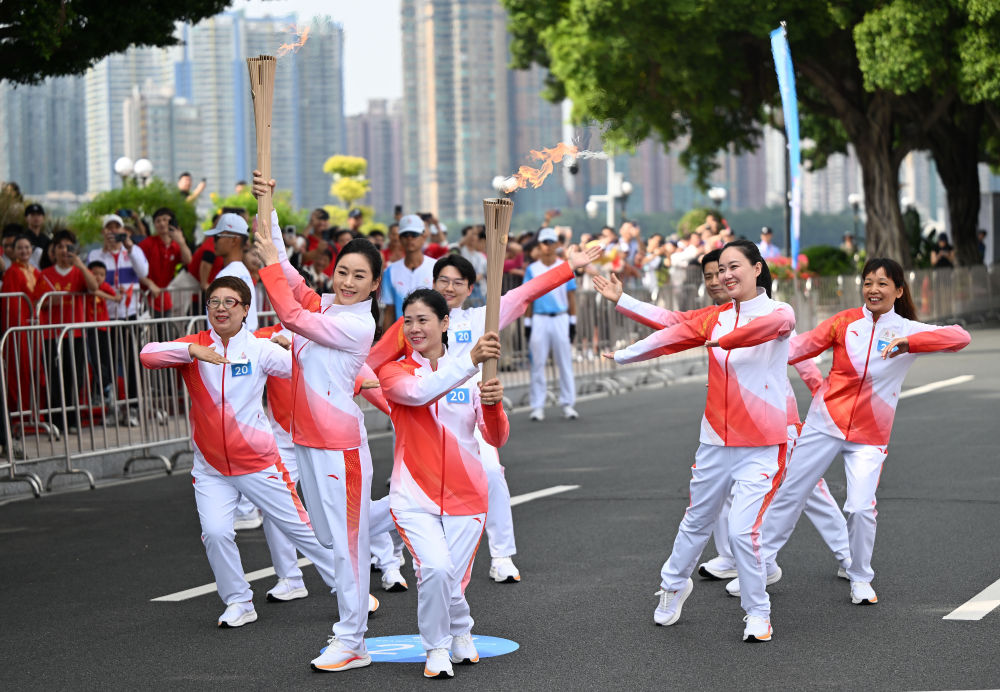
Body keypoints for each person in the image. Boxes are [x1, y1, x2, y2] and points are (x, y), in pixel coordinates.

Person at [596, 251, 851, 587]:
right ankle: (738, 560)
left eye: (726, 271)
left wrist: (825, 401)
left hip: (778, 423)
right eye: (710, 275)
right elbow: (673, 325)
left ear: (752, 272)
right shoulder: (717, 315)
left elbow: (800, 355)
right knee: (725, 495)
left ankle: (849, 559)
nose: (717, 280)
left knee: (808, 492)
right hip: (729, 431)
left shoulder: (772, 313)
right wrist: (625, 301)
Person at [367, 245, 601, 584]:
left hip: (468, 415)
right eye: (442, 281)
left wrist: (569, 267)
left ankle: (502, 556)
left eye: (457, 282)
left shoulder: (480, 319)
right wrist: (391, 405)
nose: (449, 288)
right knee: (412, 494)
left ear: (469, 288)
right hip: (420, 422)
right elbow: (368, 367)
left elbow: (525, 291)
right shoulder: (413, 323)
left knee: (491, 473)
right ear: (432, 283)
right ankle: (382, 554)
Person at [605, 239, 795, 642]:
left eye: (733, 267)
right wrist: (625, 355)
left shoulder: (780, 312)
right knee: (696, 521)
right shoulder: (715, 317)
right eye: (720, 270)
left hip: (763, 444)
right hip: (715, 442)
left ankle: (758, 612)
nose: (725, 275)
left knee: (743, 532)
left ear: (757, 268)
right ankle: (674, 585)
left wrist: (727, 341)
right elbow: (670, 334)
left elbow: (766, 329)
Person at [755, 258, 970, 606]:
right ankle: (760, 566)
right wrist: (753, 354)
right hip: (825, 423)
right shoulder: (845, 323)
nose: (874, 289)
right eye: (868, 282)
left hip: (870, 435)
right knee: (791, 492)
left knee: (859, 507)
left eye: (883, 283)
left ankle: (859, 577)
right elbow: (799, 348)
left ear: (899, 291)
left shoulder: (908, 329)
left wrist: (909, 344)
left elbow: (961, 337)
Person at [139, 276, 345, 629]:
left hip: (259, 462)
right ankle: (238, 601)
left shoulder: (259, 349)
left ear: (245, 309)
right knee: (216, 533)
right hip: (211, 467)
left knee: (301, 530)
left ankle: (346, 589)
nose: (221, 308)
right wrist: (190, 351)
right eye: (214, 302)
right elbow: (148, 355)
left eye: (229, 302)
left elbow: (306, 370)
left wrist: (350, 376)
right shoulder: (195, 347)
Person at [252, 172, 383, 672]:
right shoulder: (329, 302)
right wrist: (267, 206)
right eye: (342, 272)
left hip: (339, 448)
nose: (347, 282)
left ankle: (352, 640)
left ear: (374, 284)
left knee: (347, 547)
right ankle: (414, 506)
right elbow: (288, 273)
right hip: (307, 442)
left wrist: (269, 268)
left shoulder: (356, 322)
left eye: (358, 277)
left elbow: (291, 314)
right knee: (332, 539)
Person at [376, 289, 508, 679]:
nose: (414, 328)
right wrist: (470, 362)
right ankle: (436, 646)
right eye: (408, 320)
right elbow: (419, 395)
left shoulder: (472, 375)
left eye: (424, 320)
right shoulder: (394, 373)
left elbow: (496, 438)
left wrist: (493, 404)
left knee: (452, 578)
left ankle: (461, 629)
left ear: (445, 323)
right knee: (433, 568)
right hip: (413, 495)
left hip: (468, 496)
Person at [38, 230, 99, 433]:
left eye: (69, 247)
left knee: (75, 376)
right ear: (54, 250)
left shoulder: (79, 272)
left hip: (76, 334)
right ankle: (55, 421)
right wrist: (48, 302)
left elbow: (93, 287)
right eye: (61, 247)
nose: (65, 251)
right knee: (54, 377)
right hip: (51, 334)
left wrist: (80, 264)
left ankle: (72, 420)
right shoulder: (45, 274)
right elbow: (37, 302)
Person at [525, 227, 579, 421]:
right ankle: (537, 406)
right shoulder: (532, 269)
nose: (547, 247)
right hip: (539, 319)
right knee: (537, 364)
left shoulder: (565, 266)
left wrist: (573, 322)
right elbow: (528, 297)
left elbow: (571, 296)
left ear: (557, 244)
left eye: (550, 243)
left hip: (561, 318)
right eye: (544, 243)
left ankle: (568, 404)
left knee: (564, 362)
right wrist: (527, 322)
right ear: (539, 245)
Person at [2, 235, 43, 417]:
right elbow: (10, 307)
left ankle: (35, 412)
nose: (24, 251)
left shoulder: (35, 271)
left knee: (36, 369)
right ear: (14, 251)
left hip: (35, 327)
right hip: (20, 329)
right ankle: (21, 414)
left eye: (27, 247)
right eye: (20, 248)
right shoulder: (11, 272)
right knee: (21, 369)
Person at [380, 214, 436, 331]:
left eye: (414, 234)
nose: (409, 238)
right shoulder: (390, 271)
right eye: (405, 235)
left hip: (431, 334)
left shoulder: (437, 267)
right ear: (400, 238)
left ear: (423, 236)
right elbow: (389, 311)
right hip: (402, 336)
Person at [206, 213, 258, 331]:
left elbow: (218, 324)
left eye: (217, 237)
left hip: (229, 345)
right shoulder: (243, 272)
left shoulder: (225, 277)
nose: (214, 242)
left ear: (234, 240)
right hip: (245, 340)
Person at [139, 208, 192, 318]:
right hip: (146, 296)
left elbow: (188, 260)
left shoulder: (176, 246)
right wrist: (149, 283)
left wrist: (182, 242)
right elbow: (135, 269)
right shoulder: (147, 244)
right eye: (158, 221)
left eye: (165, 220)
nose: (162, 223)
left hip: (164, 297)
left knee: (166, 331)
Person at [23, 203, 50, 269]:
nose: (36, 217)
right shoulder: (22, 238)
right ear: (26, 218)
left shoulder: (46, 239)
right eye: (32, 215)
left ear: (43, 218)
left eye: (39, 215)